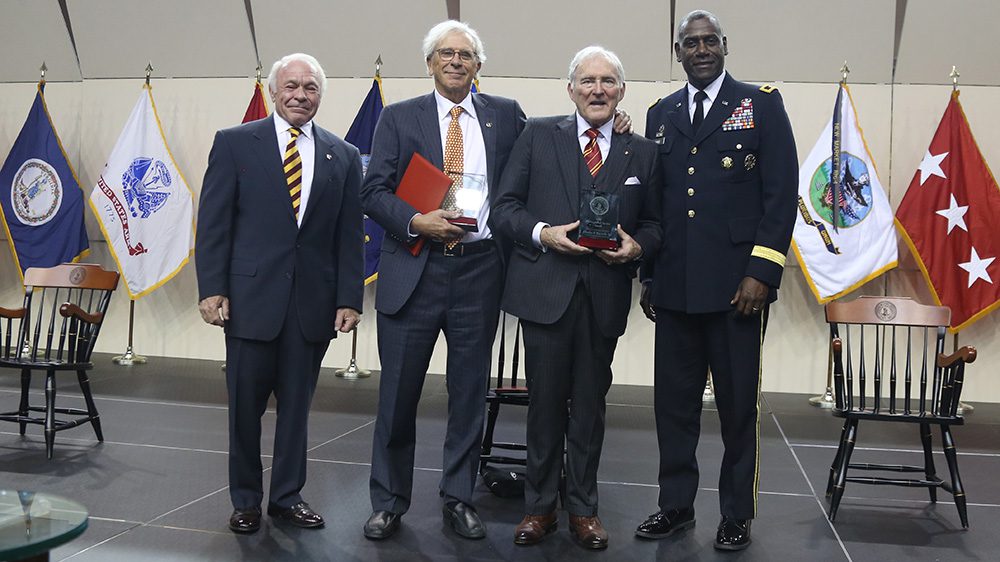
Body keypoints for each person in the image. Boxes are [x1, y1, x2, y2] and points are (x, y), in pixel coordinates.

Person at [635, 10, 797, 551]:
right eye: (691, 43)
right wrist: (649, 275)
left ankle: (736, 514)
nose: (701, 49)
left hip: (737, 292)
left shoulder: (761, 104)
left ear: (725, 46)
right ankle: (675, 505)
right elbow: (656, 205)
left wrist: (762, 272)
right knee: (672, 407)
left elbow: (780, 196)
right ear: (677, 52)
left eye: (710, 41)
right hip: (676, 287)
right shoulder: (661, 113)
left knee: (736, 409)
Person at [359, 20, 526, 541]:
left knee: (469, 393)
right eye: (445, 53)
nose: (456, 61)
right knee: (398, 395)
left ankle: (458, 497)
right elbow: (373, 191)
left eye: (466, 54)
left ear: (479, 65)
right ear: (429, 63)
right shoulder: (399, 117)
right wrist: (415, 220)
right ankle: (388, 501)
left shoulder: (506, 115)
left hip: (479, 270)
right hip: (416, 267)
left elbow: (539, 163)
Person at [491, 46, 661, 550]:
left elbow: (655, 224)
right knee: (544, 405)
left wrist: (638, 247)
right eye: (587, 81)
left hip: (604, 296)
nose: (598, 90)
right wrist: (543, 233)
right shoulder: (538, 135)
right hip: (546, 293)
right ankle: (540, 508)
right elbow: (504, 209)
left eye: (608, 81)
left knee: (589, 407)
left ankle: (584, 510)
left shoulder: (642, 152)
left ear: (621, 91)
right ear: (571, 89)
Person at [195, 53, 363, 534]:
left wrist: (349, 297)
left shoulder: (344, 155)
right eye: (291, 86)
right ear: (273, 92)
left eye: (310, 88)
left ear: (320, 96)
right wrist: (213, 289)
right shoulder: (234, 144)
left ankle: (287, 497)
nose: (300, 95)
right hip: (249, 302)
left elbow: (349, 235)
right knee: (244, 412)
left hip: (312, 307)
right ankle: (245, 500)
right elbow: (213, 225)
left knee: (296, 413)